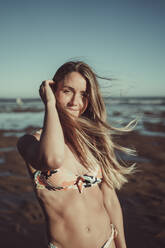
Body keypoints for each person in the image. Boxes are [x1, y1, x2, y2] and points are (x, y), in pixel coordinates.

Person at [17, 61, 135, 248]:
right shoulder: (30, 142)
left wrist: (122, 246)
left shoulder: (94, 140)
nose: (75, 102)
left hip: (108, 242)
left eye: (83, 94)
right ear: (53, 90)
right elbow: (52, 159)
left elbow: (110, 200)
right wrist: (49, 104)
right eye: (67, 91)